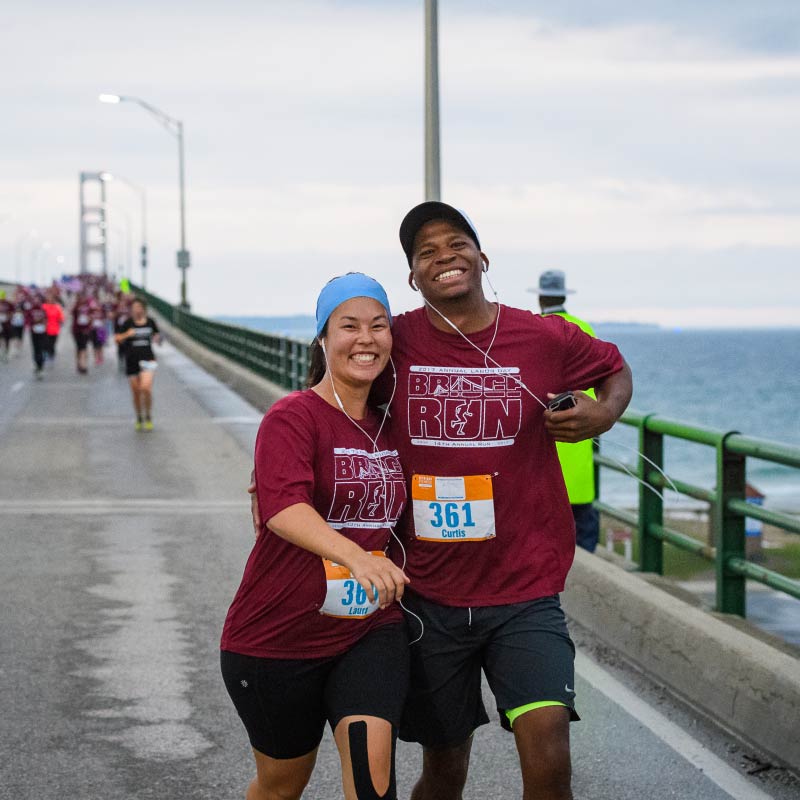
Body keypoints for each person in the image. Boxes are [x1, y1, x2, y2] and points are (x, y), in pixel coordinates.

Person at [386, 203, 632, 800]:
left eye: (455, 243)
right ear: (414, 278)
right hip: (429, 592)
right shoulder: (394, 339)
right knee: (444, 771)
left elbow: (615, 369)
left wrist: (602, 413)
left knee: (549, 761)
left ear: (482, 257)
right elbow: (326, 395)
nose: (444, 256)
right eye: (426, 253)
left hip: (525, 588)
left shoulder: (543, 336)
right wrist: (282, 467)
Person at [222, 273, 410, 800]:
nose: (365, 338)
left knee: (373, 783)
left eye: (379, 325)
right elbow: (283, 508)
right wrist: (357, 557)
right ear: (323, 339)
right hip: (277, 637)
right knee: (281, 786)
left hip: (369, 628)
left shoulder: (393, 425)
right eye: (348, 326)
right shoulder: (293, 416)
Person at [530, 269, 601, 553]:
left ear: (541, 298)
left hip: (540, 452)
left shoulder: (535, 329)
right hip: (579, 446)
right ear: (562, 295)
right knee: (583, 540)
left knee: (545, 541)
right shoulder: (584, 328)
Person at [114, 298, 161, 430]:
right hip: (132, 360)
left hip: (148, 359)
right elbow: (116, 339)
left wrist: (157, 338)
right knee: (136, 392)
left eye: (138, 307)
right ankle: (139, 417)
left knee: (145, 388)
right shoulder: (127, 323)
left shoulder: (151, 322)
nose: (136, 310)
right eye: (134, 307)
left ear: (143, 309)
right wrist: (127, 335)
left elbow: (157, 336)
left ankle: (148, 415)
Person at [42, 289, 66, 366]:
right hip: (45, 329)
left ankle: (51, 356)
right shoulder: (43, 306)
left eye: (51, 298)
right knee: (45, 343)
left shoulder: (57, 307)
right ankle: (46, 356)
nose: (50, 299)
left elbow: (61, 318)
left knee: (52, 344)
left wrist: (61, 322)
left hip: (54, 329)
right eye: (48, 297)